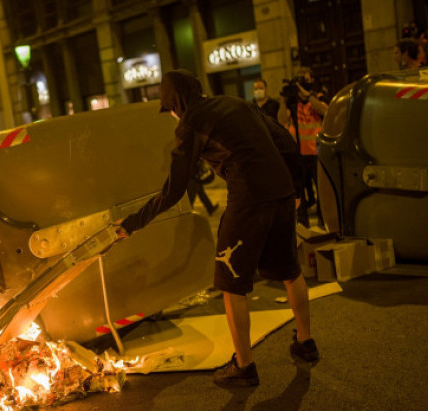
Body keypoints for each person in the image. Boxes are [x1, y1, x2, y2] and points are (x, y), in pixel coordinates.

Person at [115, 70, 318, 387]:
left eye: (168, 108)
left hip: (249, 197)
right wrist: (295, 191)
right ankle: (305, 342)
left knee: (231, 282)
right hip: (280, 191)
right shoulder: (236, 104)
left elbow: (174, 190)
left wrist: (132, 223)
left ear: (176, 102)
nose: (170, 115)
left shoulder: (191, 123)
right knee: (290, 270)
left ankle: (244, 365)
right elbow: (284, 140)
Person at [278, 67, 329, 227]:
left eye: (304, 79)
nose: (301, 82)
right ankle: (302, 222)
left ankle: (323, 220)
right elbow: (281, 120)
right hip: (299, 152)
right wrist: (283, 99)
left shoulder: (318, 95)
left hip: (316, 151)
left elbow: (325, 111)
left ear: (310, 80)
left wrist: (307, 95)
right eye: (298, 79)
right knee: (298, 191)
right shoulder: (293, 101)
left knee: (321, 189)